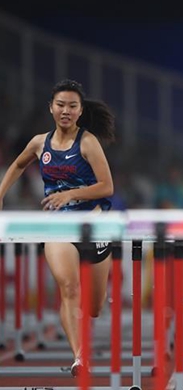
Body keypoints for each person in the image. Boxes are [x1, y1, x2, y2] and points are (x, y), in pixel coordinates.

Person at [0, 79, 115, 377]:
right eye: (60, 105)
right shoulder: (40, 143)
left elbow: (107, 187)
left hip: (94, 226)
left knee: (94, 308)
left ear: (79, 111)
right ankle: (80, 356)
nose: (65, 110)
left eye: (72, 106)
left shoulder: (88, 142)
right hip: (58, 227)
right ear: (51, 107)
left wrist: (71, 194)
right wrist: (0, 193)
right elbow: (17, 165)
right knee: (68, 288)